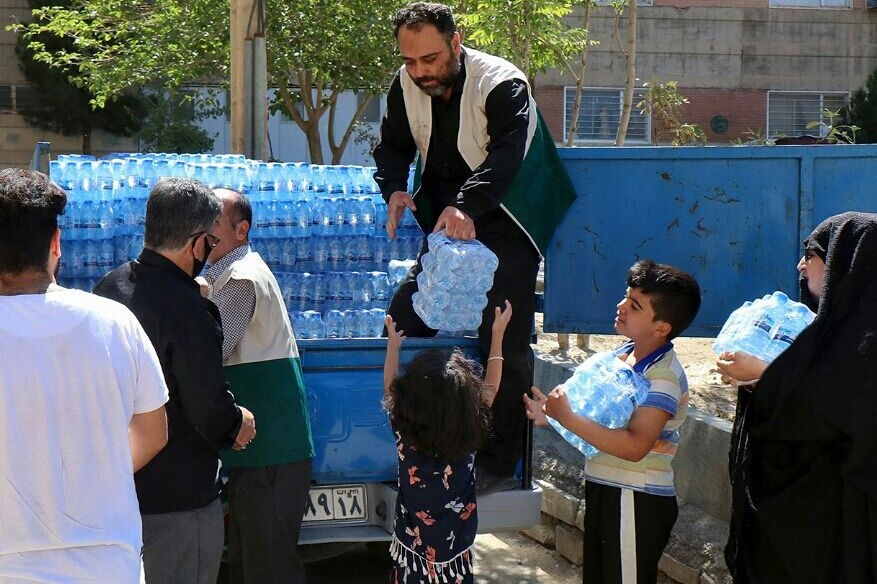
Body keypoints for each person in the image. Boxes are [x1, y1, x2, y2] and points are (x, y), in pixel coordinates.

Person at [373, 2, 578, 492]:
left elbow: (506, 154)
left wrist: (469, 205)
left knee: (502, 331)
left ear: (456, 42)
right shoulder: (405, 83)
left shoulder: (503, 82)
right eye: (411, 62)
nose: (421, 72)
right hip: (450, 220)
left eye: (430, 60)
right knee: (406, 314)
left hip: (510, 212)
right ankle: (427, 432)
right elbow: (393, 144)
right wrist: (394, 189)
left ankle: (496, 460)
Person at [0, 168, 169, 582]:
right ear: (56, 244)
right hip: (109, 564)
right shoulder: (114, 322)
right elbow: (153, 433)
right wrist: (92, 469)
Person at [93, 177, 257, 584]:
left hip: (114, 492)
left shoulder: (107, 289)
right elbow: (208, 406)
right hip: (178, 502)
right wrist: (238, 425)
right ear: (198, 243)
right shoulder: (189, 308)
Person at [717, 212, 877, 583]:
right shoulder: (816, 332)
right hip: (787, 530)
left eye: (814, 254)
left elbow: (850, 410)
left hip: (841, 528)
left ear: (849, 260)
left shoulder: (867, 340)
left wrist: (765, 376)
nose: (801, 265)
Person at [524, 260, 701, 584]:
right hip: (609, 488)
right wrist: (551, 417)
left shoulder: (662, 377)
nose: (621, 306)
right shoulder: (624, 355)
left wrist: (567, 418)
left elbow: (635, 447)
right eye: (626, 297)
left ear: (661, 327)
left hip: (636, 498)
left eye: (635, 305)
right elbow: (596, 418)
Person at [201, 188, 315, 584]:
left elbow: (209, 353)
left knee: (267, 568)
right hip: (260, 450)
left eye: (213, 219)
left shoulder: (242, 278)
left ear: (241, 230)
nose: (203, 227)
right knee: (251, 565)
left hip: (270, 451)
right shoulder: (225, 275)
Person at [383, 300, 512, 583]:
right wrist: (497, 335)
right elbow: (491, 387)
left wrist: (394, 346)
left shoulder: (406, 436)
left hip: (411, 560)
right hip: (455, 562)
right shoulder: (467, 436)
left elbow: (391, 388)